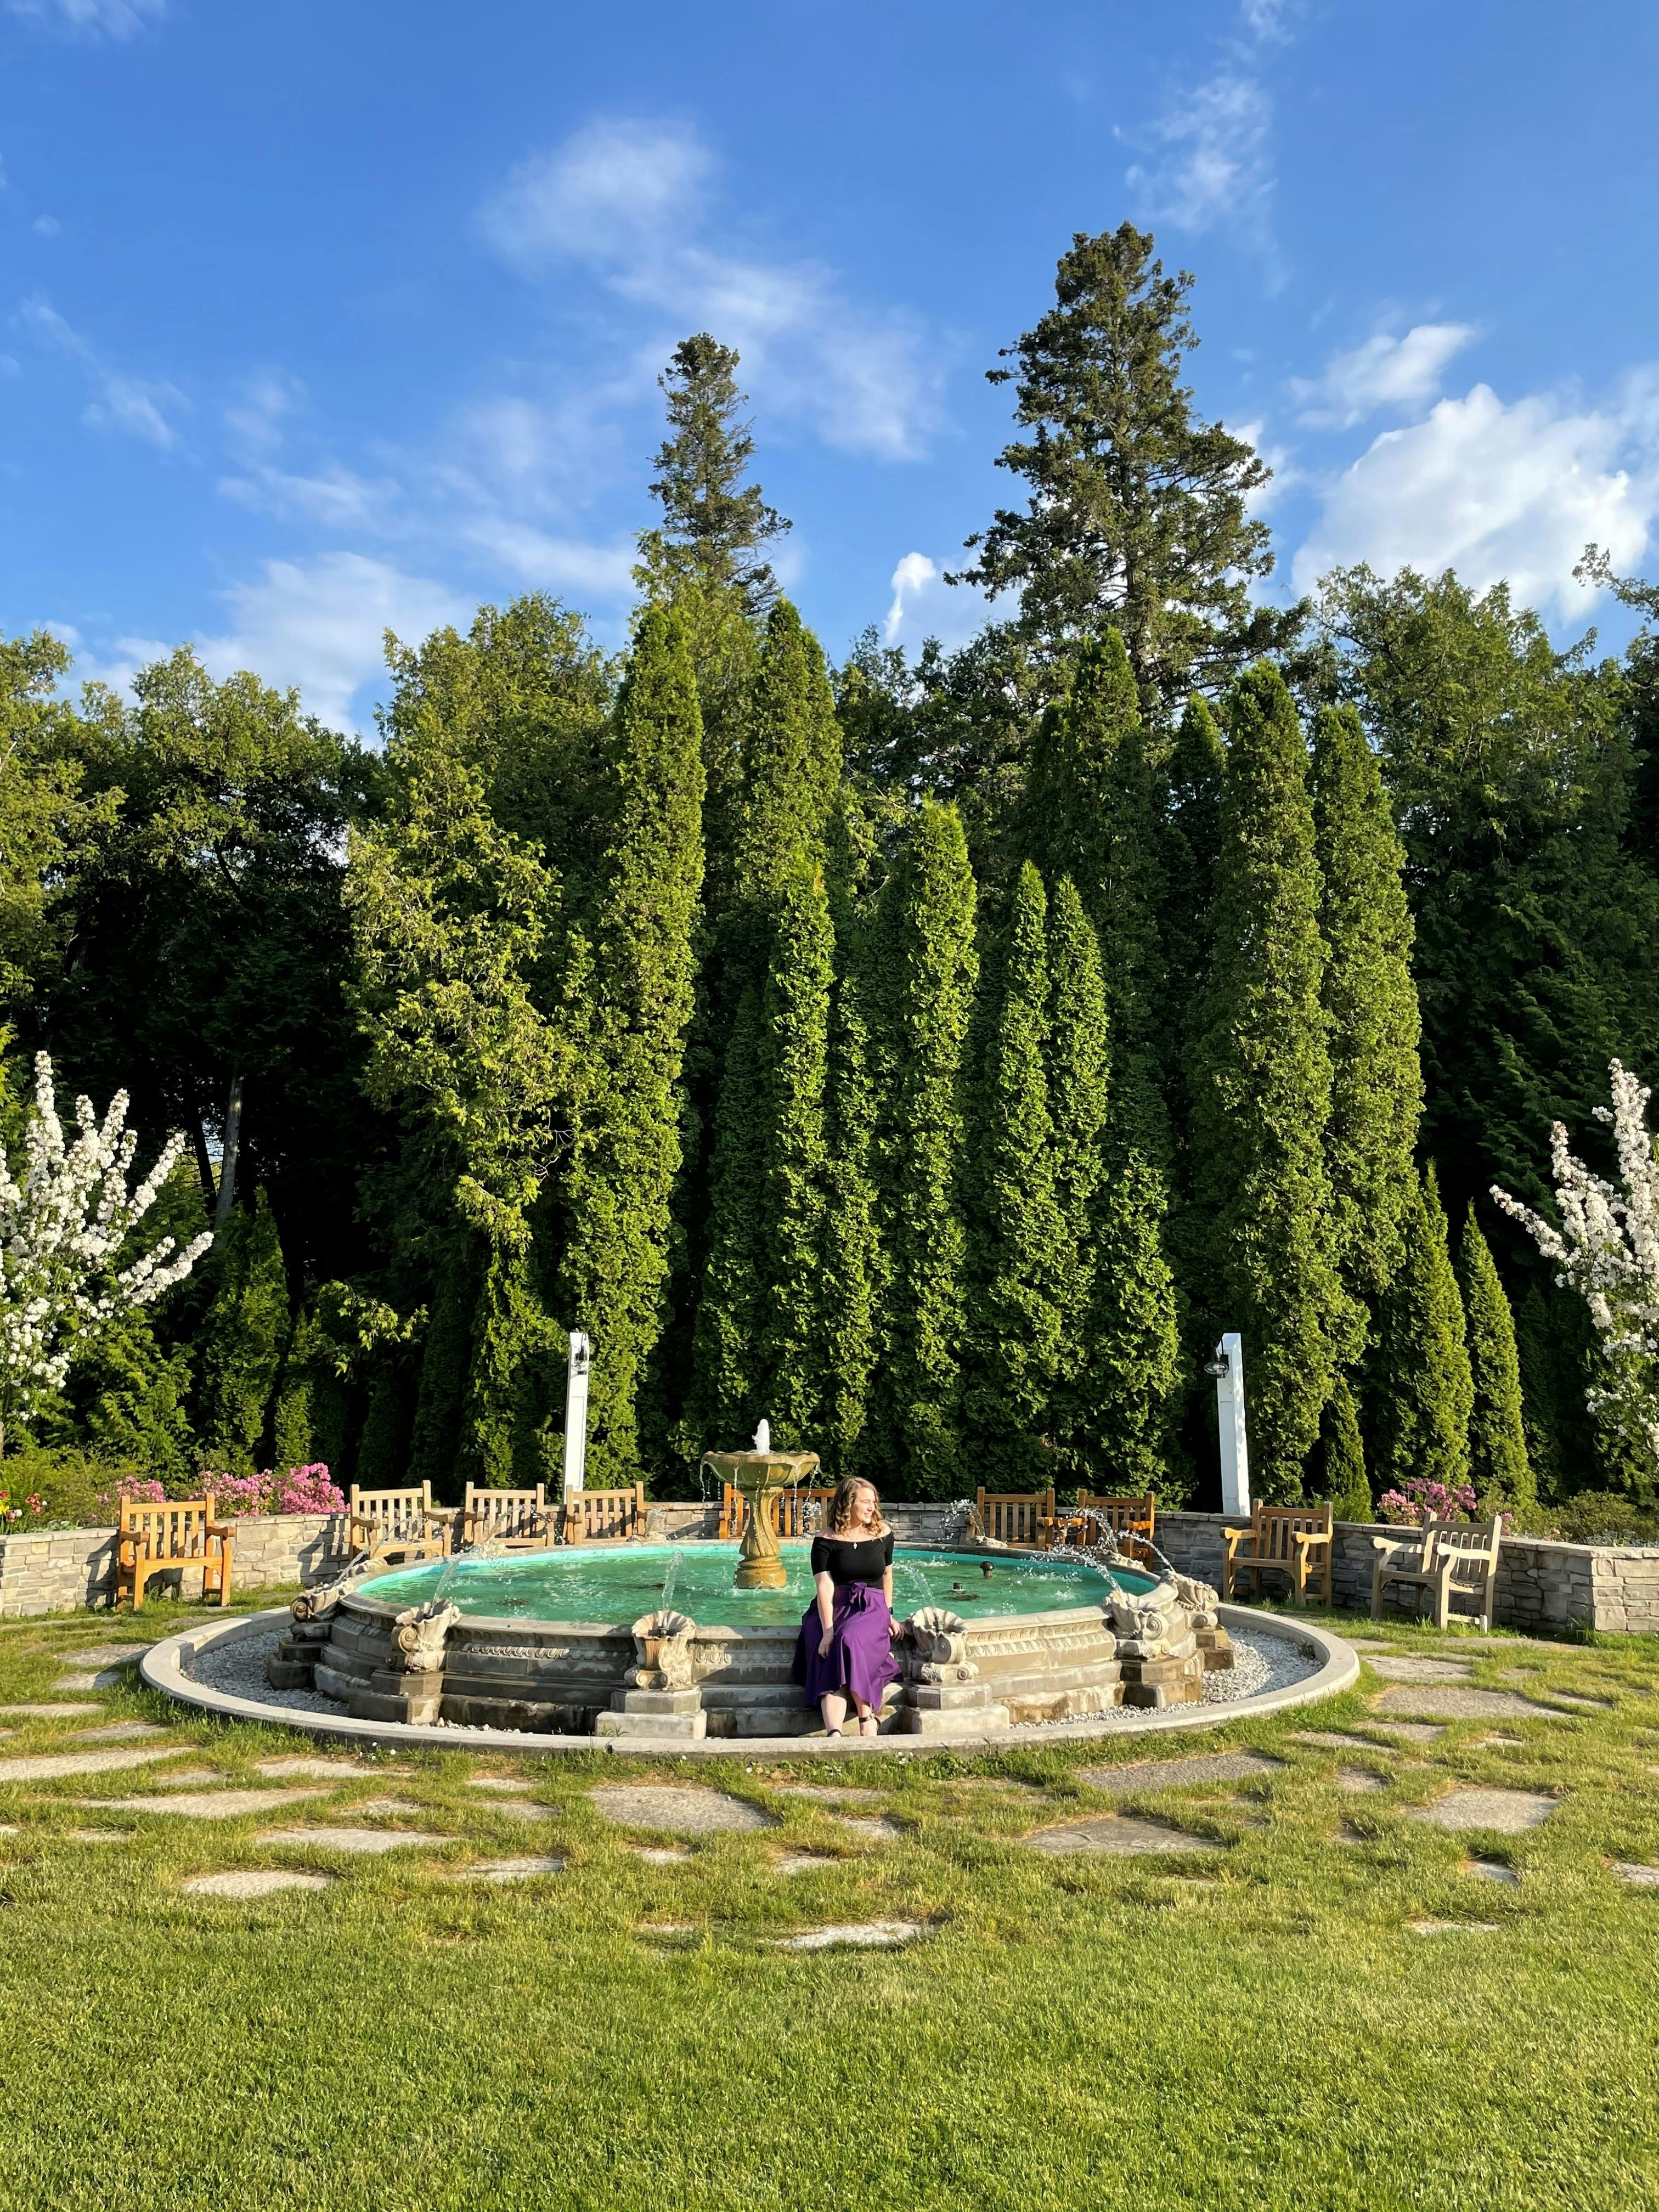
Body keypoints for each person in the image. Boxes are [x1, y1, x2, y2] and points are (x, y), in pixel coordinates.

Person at [791, 1476, 904, 1737]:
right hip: (833, 1606)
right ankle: (834, 1734)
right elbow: (824, 1587)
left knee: (849, 1638)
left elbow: (887, 1575)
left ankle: (867, 1718)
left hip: (871, 1605)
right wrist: (827, 1631)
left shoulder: (883, 1534)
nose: (872, 1508)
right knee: (824, 1644)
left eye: (874, 1502)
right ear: (848, 1503)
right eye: (866, 1502)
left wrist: (889, 1614)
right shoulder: (824, 1540)